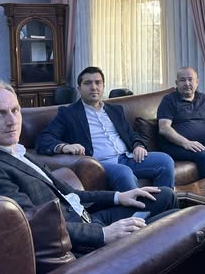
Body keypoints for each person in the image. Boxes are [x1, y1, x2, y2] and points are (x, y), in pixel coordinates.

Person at [0, 81, 178, 255]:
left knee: (165, 195)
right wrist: (103, 234)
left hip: (87, 219)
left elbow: (69, 193)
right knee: (180, 222)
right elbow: (30, 225)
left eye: (15, 110)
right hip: (80, 241)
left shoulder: (16, 151)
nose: (12, 121)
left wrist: (119, 196)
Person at [36, 67, 175, 191]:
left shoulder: (115, 110)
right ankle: (139, 211)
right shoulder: (68, 113)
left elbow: (130, 134)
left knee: (165, 161)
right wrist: (64, 147)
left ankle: (164, 205)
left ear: (103, 86)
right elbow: (43, 140)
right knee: (124, 173)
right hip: (100, 163)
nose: (94, 87)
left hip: (127, 157)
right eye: (87, 83)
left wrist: (138, 145)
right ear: (79, 88)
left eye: (98, 83)